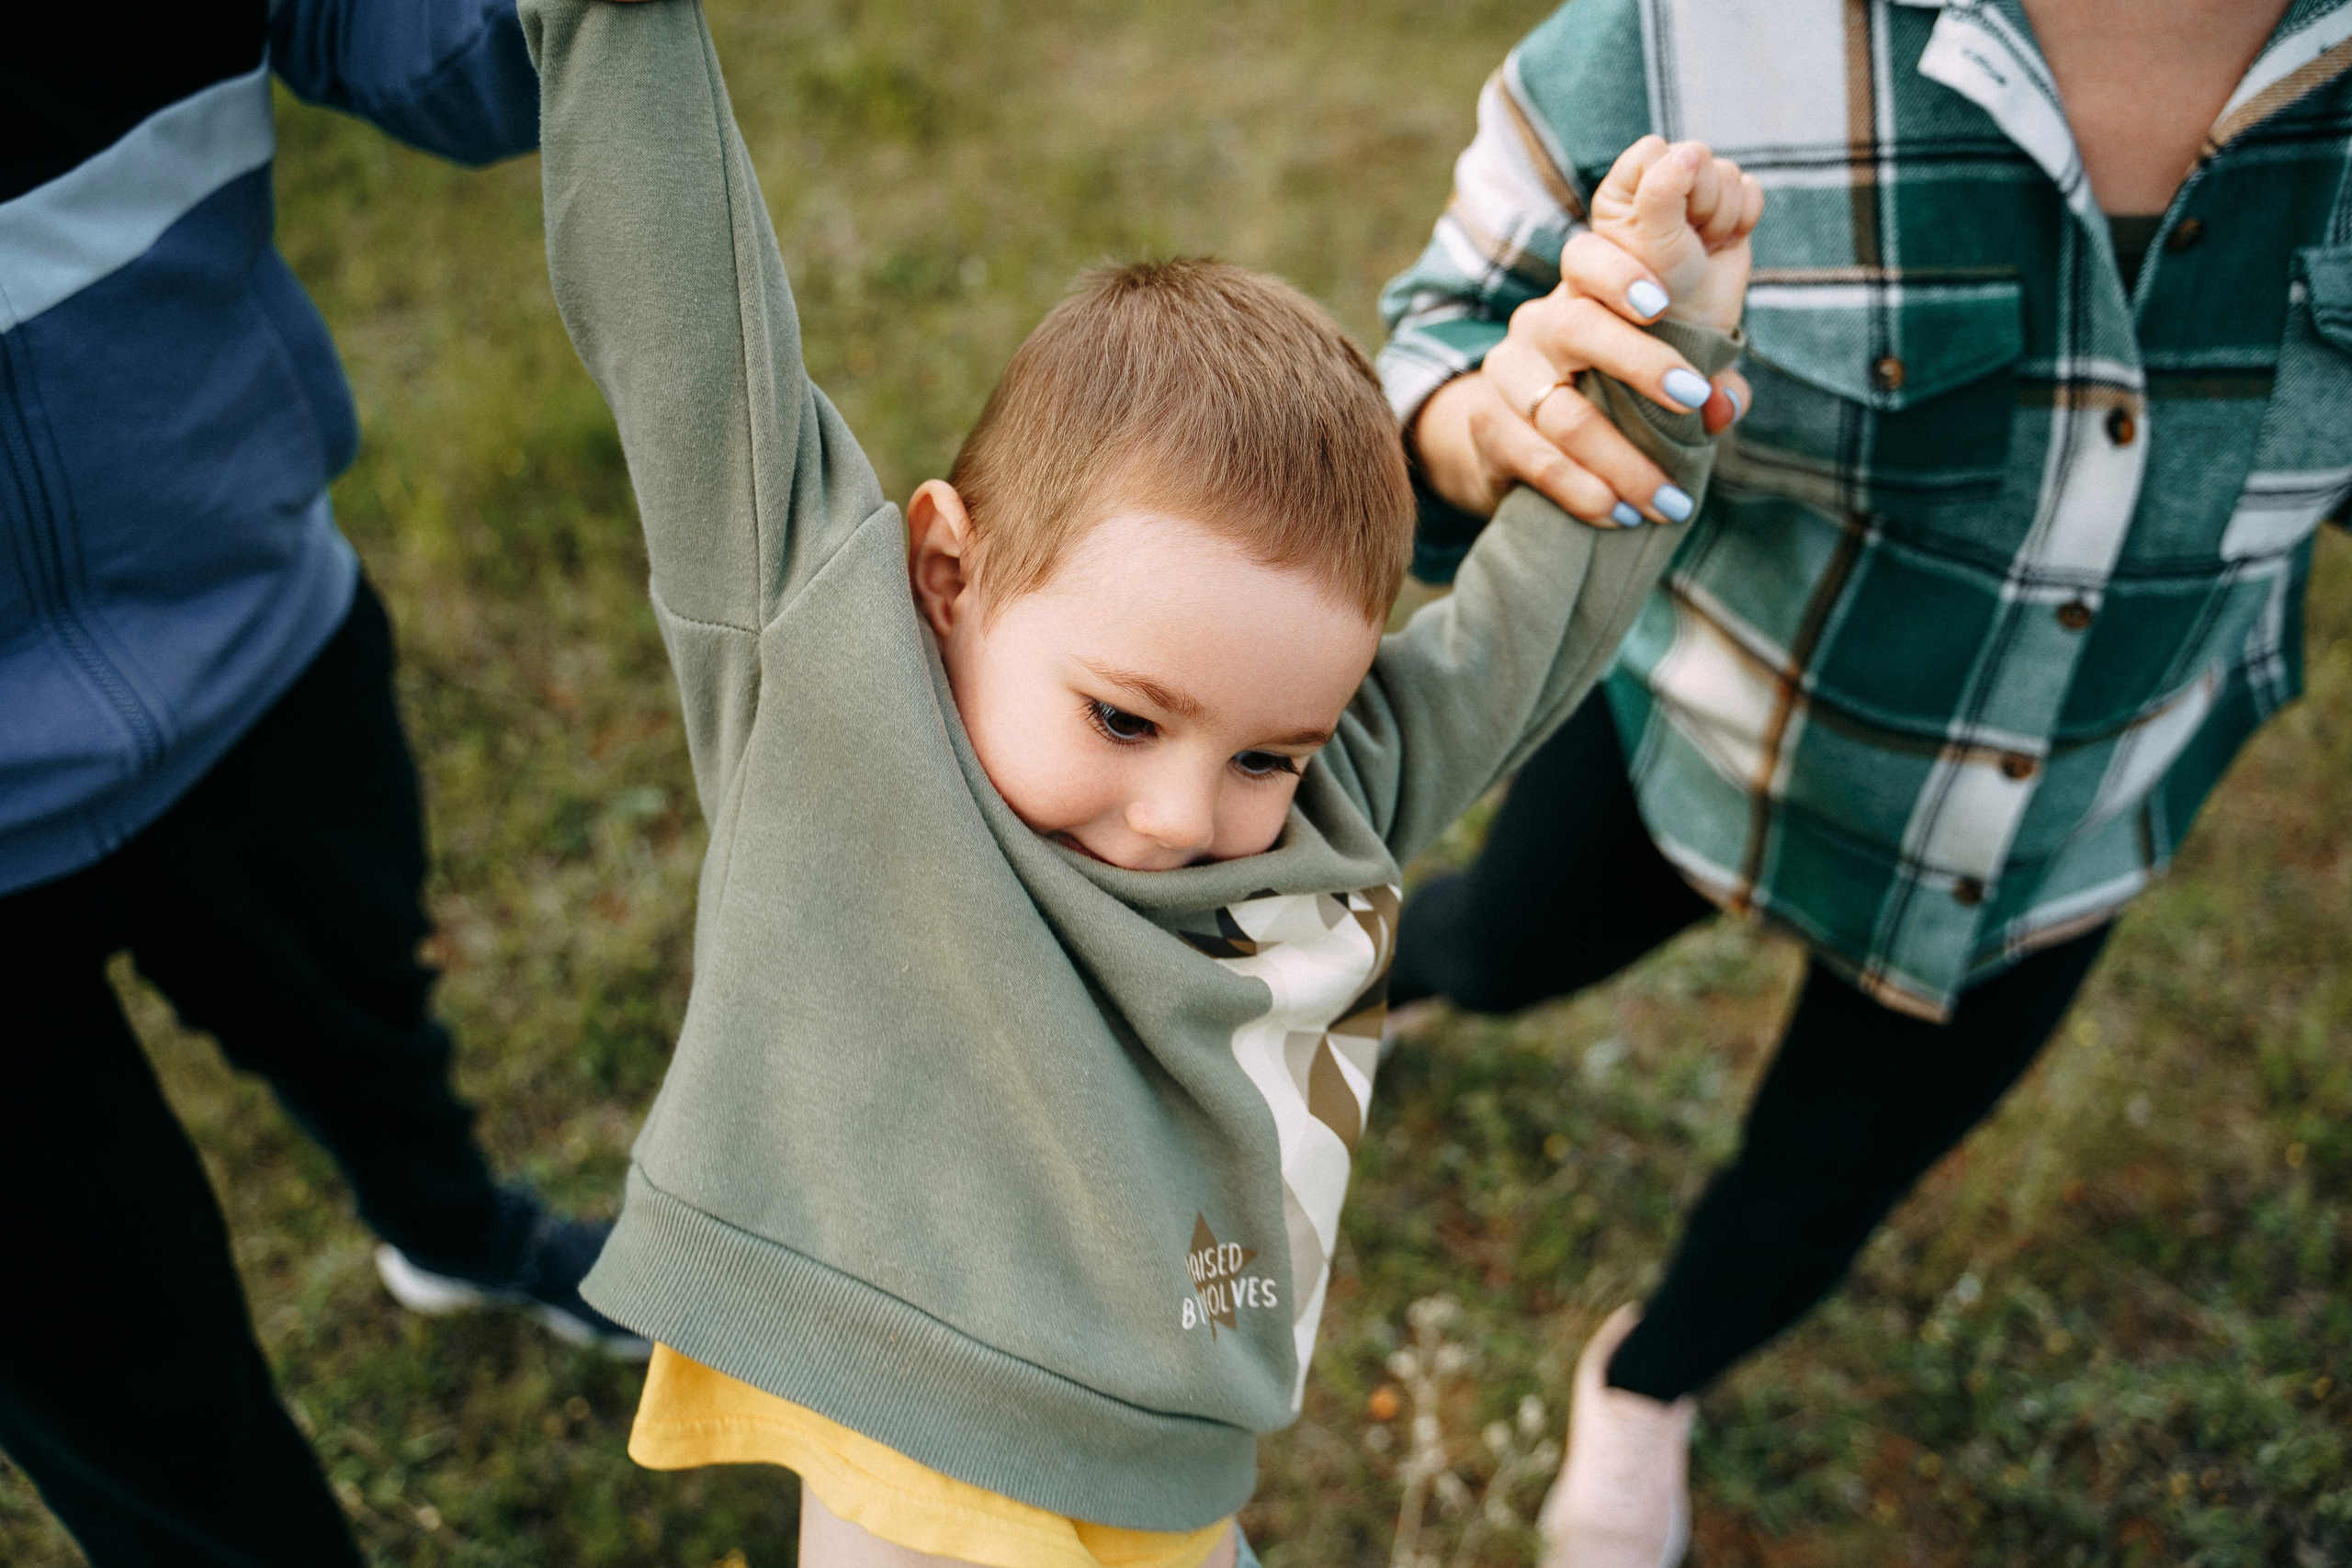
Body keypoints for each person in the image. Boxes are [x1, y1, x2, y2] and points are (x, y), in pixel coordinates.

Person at [518, 0, 1756, 1562]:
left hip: (1171, 1505)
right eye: (1122, 719)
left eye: (1265, 753)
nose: (1186, 817)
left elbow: (1531, 631)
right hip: (923, 1497)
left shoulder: (1318, 813)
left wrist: (1665, 366)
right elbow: (684, 319)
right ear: (949, 570)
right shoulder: (831, 686)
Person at [1374, 0, 2340, 1562]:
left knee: (1819, 1189)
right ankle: (1386, 993)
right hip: (1708, 734)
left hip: (2056, 840)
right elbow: (1423, 347)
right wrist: (1488, 419)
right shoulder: (1685, 36)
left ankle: (1649, 1384)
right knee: (1499, 945)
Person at [1, 4, 649, 1564]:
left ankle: (450, 1232)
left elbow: (459, 55)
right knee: (123, 1379)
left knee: (366, 1017)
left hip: (253, 642)